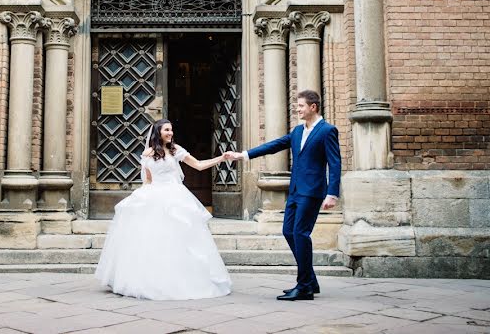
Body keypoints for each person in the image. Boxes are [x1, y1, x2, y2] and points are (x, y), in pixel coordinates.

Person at [95, 118, 232, 300]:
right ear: (158, 132)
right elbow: (148, 180)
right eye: (167, 130)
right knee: (153, 239)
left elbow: (198, 165)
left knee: (180, 238)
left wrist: (221, 158)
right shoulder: (147, 154)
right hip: (155, 196)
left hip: (176, 197)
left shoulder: (176, 151)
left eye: (171, 130)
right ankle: (151, 280)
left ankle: (181, 278)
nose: (170, 133)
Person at [225, 89, 340, 301]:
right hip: (295, 190)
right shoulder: (297, 131)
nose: (297, 109)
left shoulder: (327, 131)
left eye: (301, 106)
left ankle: (304, 286)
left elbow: (335, 163)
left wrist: (332, 193)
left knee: (300, 233)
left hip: (313, 192)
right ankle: (310, 280)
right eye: (297, 106)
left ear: (313, 107)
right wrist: (243, 155)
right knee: (288, 231)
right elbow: (274, 145)